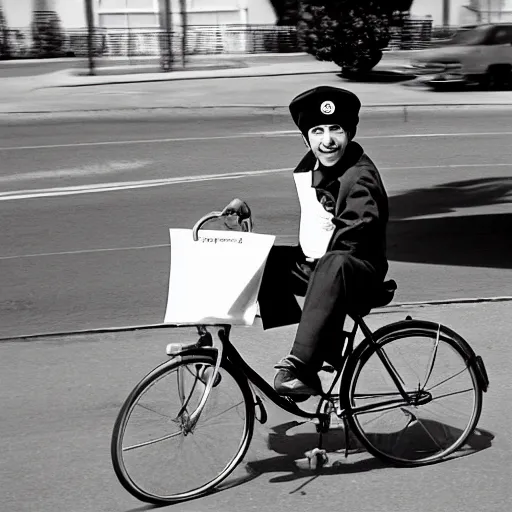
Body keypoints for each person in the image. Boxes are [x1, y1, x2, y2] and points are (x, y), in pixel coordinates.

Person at [222, 85, 389, 398]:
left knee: (333, 261)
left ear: (350, 132)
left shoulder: (360, 177)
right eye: (318, 131)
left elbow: (355, 234)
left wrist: (323, 262)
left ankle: (303, 367)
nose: (327, 140)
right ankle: (216, 337)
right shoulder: (317, 166)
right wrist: (247, 224)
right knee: (260, 258)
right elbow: (316, 224)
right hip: (322, 266)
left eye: (336, 129)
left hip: (357, 272)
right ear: (306, 138)